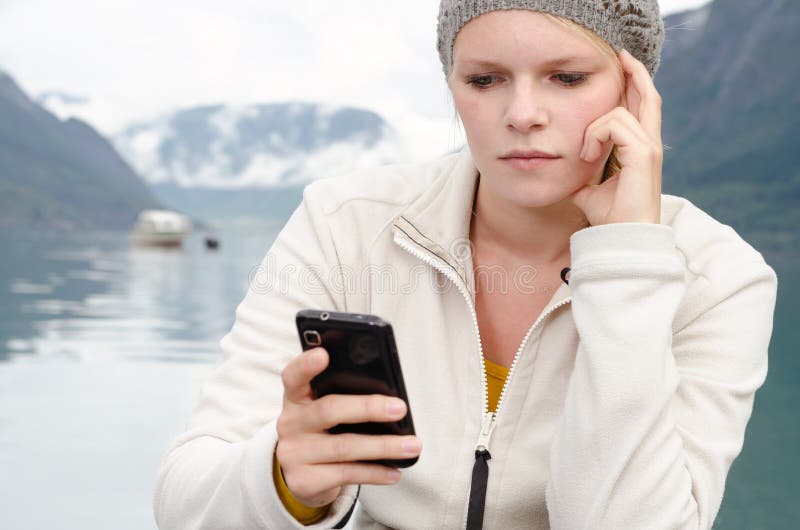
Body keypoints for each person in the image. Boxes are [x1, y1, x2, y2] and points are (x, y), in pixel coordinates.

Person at [153, 1, 779, 528]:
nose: (522, 113)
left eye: (566, 77)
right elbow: (183, 499)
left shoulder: (719, 278)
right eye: (484, 80)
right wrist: (283, 477)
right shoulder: (346, 222)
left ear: (633, 89)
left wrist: (627, 265)